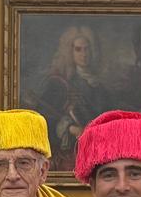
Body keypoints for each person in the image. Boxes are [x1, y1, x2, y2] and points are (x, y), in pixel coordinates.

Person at [30, 26, 112, 174]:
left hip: (99, 152)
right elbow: (42, 120)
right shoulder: (59, 84)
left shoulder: (100, 87)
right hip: (70, 155)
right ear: (70, 52)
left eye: (87, 49)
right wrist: (70, 128)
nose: (84, 54)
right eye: (78, 50)